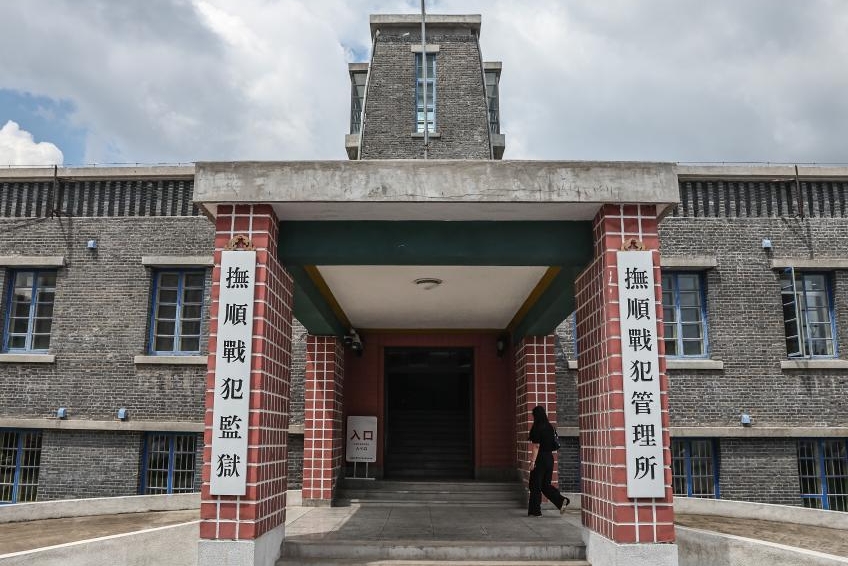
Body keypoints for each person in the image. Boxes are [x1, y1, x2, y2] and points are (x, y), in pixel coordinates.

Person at [527, 405, 569, 517]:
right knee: (545, 485)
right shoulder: (550, 427)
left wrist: (532, 462)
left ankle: (535, 511)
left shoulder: (537, 427)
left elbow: (536, 446)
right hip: (549, 458)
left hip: (540, 458)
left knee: (535, 485)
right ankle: (561, 501)